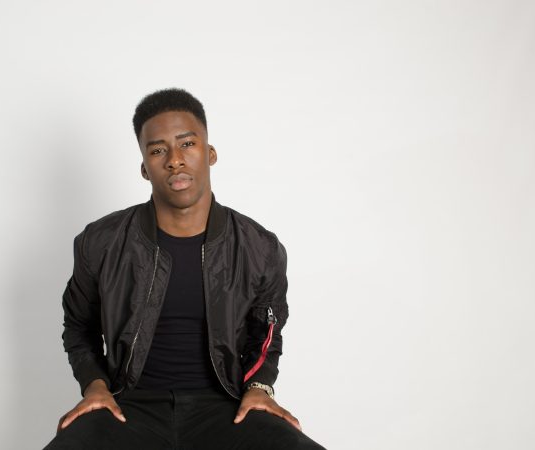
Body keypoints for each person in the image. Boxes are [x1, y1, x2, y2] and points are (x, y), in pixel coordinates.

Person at [43, 88, 325, 449]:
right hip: (127, 409)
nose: (174, 160)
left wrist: (259, 387)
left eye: (187, 144)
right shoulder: (100, 242)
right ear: (145, 168)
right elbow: (78, 326)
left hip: (226, 409)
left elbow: (267, 332)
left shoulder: (258, 247)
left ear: (210, 153)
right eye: (158, 150)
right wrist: (94, 386)